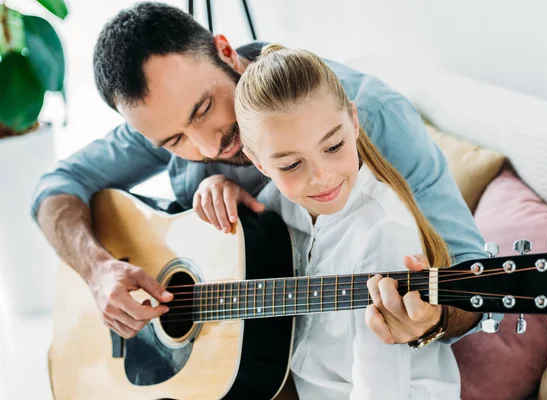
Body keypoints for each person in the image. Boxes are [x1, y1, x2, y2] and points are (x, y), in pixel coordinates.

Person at [32, 2, 492, 343]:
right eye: (175, 142)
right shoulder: (165, 119)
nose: (209, 145)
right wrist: (97, 270)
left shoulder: (367, 118)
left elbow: (473, 279)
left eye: (204, 109)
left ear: (225, 51)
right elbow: (57, 187)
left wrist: (432, 323)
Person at [231, 43, 459, 399]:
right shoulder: (274, 207)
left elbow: (381, 387)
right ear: (258, 164)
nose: (321, 176)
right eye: (291, 165)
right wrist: (218, 186)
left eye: (333, 146)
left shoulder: (383, 230)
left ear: (353, 121)